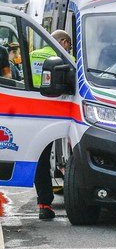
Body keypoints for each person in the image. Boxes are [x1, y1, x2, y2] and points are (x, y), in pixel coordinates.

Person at [32, 30, 72, 220]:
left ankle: (44, 204)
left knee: (39, 160)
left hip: (28, 112)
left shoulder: (32, 56)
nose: (69, 49)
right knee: (71, 155)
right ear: (63, 42)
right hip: (55, 115)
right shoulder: (66, 58)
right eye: (69, 45)